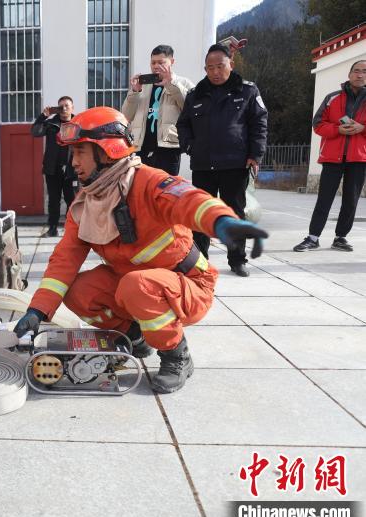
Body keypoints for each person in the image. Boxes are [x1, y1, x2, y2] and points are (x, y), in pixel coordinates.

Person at [13, 107, 268, 393]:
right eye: (72, 153)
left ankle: (176, 355)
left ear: (106, 151)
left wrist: (221, 221)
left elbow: (190, 200)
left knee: (137, 286)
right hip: (135, 287)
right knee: (77, 291)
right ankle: (136, 338)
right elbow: (64, 260)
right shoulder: (86, 203)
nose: (73, 162)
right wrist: (37, 310)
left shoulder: (149, 182)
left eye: (80, 152)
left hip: (188, 285)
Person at [177, 43, 268, 277]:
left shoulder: (247, 91)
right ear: (205, 69)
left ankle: (237, 260)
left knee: (234, 213)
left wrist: (255, 155)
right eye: (210, 68)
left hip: (234, 164)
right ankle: (200, 260)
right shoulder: (195, 95)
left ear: (231, 65)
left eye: (220, 66)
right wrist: (190, 146)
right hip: (203, 165)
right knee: (200, 213)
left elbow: (259, 123)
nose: (215, 72)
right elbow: (183, 124)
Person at [293, 60, 366, 253]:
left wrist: (362, 128)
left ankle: (340, 238)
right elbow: (318, 124)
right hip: (332, 158)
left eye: (364, 72)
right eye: (356, 71)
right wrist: (337, 129)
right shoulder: (332, 97)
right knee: (324, 200)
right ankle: (313, 238)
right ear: (349, 74)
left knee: (351, 201)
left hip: (359, 159)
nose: (360, 75)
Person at [122, 45, 194, 175]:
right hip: (141, 147)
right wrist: (135, 92)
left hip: (168, 148)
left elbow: (190, 109)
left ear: (172, 62)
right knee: (141, 185)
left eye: (161, 62)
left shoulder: (184, 83)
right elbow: (126, 115)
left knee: (166, 186)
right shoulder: (143, 85)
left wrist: (171, 84)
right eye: (153, 62)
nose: (156, 66)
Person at [31, 96, 77, 237]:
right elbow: (35, 132)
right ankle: (52, 228)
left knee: (72, 201)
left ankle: (71, 230)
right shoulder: (51, 123)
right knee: (54, 200)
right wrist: (43, 116)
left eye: (67, 105)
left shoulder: (78, 123)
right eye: (61, 106)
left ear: (72, 108)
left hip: (72, 169)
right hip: (53, 168)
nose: (64, 108)